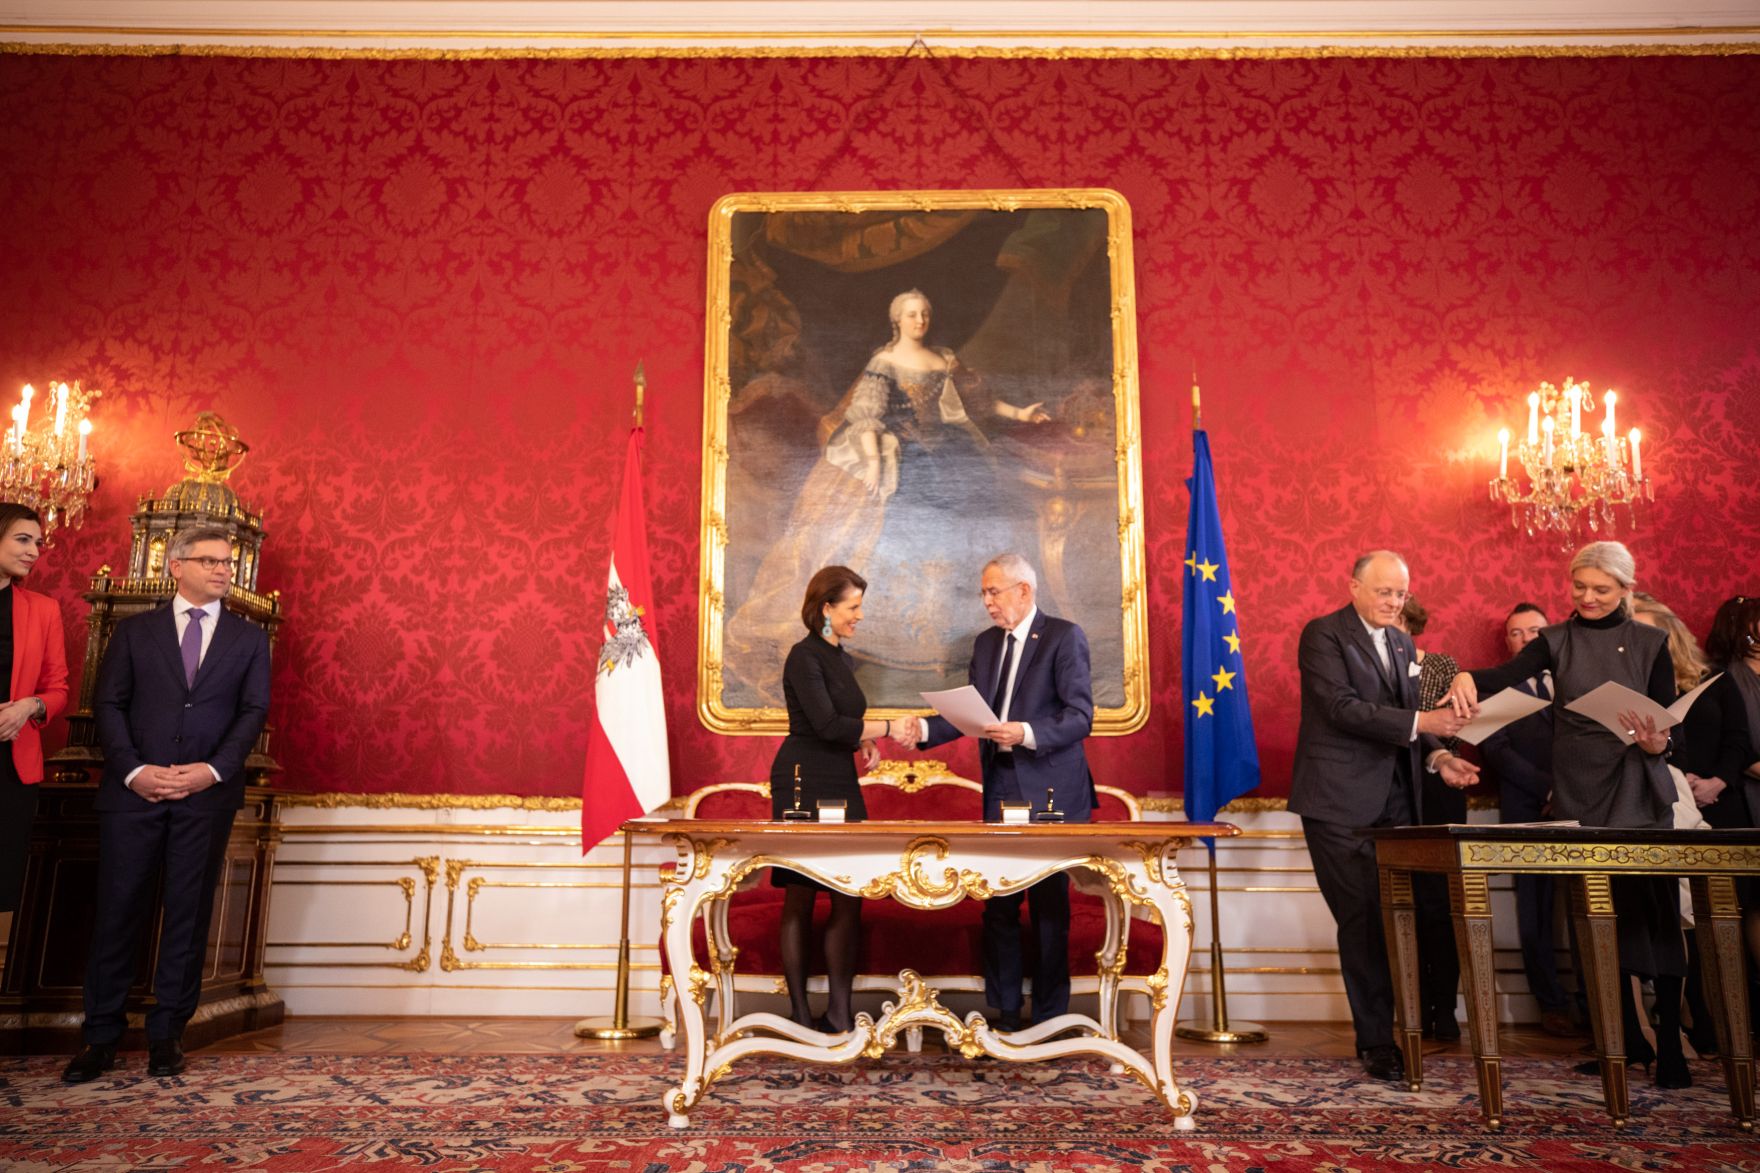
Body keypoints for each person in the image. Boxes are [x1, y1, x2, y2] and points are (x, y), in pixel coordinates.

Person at [1445, 540, 1691, 1089]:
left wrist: (1656, 747)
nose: (1586, 597)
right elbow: (1504, 673)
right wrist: (1463, 676)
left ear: (1626, 588)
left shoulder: (1652, 641)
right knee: (1597, 916)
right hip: (1580, 791)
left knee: (1654, 914)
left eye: (1600, 589)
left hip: (1639, 790)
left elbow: (1671, 732)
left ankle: (1670, 1042)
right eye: (1579, 587)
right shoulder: (1556, 639)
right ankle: (1623, 1042)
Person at [726, 289, 1049, 699]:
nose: (920, 321)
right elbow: (865, 417)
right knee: (890, 538)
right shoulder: (885, 362)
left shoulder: (944, 359)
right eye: (912, 314)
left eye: (925, 314)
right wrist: (875, 466)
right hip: (903, 456)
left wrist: (1020, 413)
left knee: (960, 536)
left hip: (949, 455)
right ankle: (889, 646)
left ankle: (947, 644)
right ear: (897, 320)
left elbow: (979, 402)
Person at [63, 526, 272, 1083]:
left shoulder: (250, 640)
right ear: (175, 566)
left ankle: (166, 1036)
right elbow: (108, 704)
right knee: (116, 914)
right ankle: (100, 1038)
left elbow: (253, 713)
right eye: (210, 561)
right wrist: (134, 771)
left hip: (207, 798)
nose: (225, 570)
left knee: (188, 914)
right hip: (133, 795)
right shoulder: (134, 632)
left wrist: (209, 771)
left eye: (228, 563)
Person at [1289, 551, 1477, 1082]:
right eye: (1385, 592)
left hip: (1399, 803)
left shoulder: (1400, 640)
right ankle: (1377, 1041)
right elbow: (1342, 709)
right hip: (1337, 803)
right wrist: (1426, 720)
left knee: (1404, 918)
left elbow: (1408, 721)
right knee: (1365, 920)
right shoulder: (1323, 635)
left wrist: (1440, 756)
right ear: (1354, 587)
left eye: (1402, 594)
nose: (1395, 602)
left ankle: (1404, 1027)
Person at [919, 553, 1094, 1030]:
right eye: (983, 594)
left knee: (1049, 907)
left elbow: (1081, 717)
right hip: (1002, 788)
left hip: (1052, 790)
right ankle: (1006, 1014)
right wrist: (917, 729)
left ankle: (1051, 1017)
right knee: (997, 902)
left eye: (994, 592)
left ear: (1025, 591)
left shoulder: (1063, 636)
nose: (988, 603)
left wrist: (1027, 732)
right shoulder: (985, 645)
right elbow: (972, 713)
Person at [769, 565, 918, 1034]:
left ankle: (838, 1012)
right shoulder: (803, 656)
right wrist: (890, 730)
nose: (859, 615)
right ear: (826, 608)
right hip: (801, 778)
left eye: (859, 606)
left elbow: (843, 724)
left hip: (839, 776)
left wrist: (862, 741)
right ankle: (798, 1014)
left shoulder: (841, 657)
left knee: (848, 893)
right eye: (852, 607)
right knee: (801, 895)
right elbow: (826, 725)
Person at [1476, 602, 1577, 1037]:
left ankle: (1599, 1003)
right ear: (1507, 641)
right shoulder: (1493, 690)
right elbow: (1495, 750)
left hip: (1585, 807)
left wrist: (1571, 792)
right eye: (1516, 634)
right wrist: (1548, 790)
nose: (1526, 639)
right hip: (1525, 808)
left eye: (1534, 631)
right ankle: (1550, 1002)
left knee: (1585, 907)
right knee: (1533, 908)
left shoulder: (1576, 678)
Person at [1675, 595, 1760, 1039]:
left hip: (1735, 803)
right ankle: (1713, 1017)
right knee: (1709, 913)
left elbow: (1740, 741)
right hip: (1702, 803)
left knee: (1744, 908)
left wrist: (1722, 779)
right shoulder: (1722, 679)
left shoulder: (1727, 679)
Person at [1393, 594, 1464, 1041]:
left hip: (1440, 789)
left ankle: (1446, 1007)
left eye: (1398, 618)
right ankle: (1412, 1005)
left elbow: (1451, 723)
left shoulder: (1441, 667)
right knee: (1403, 905)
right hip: (1393, 791)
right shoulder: (1369, 669)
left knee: (1440, 905)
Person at [0, 504, 70, 939]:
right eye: (22, 540)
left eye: (38, 543)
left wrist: (29, 707)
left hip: (11, 767)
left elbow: (58, 688)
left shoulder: (43, 609)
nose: (34, 552)